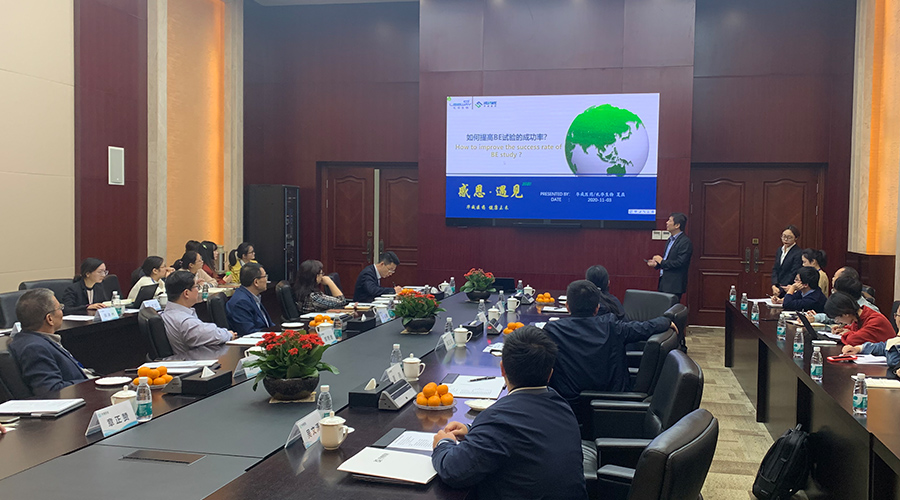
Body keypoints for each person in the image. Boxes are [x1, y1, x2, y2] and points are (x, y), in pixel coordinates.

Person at [431, 327, 588, 500]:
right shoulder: (561, 404)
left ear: (502, 369)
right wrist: (472, 429)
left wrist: (443, 444)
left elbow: (454, 471)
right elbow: (523, 431)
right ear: (550, 374)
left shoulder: (500, 419)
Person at [542, 280, 674, 402]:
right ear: (597, 308)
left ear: (567, 306)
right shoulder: (612, 326)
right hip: (612, 401)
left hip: (568, 404)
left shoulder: (552, 331)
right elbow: (644, 328)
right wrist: (665, 321)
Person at [9, 289, 89, 395]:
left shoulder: (31, 339)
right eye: (60, 308)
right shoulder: (34, 348)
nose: (62, 312)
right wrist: (91, 383)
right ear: (49, 319)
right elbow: (51, 390)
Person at [160, 271, 236, 354]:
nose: (198, 290)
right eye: (197, 286)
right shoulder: (185, 322)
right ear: (186, 293)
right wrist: (229, 334)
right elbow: (213, 334)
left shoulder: (166, 313)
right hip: (192, 359)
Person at [646, 212, 693, 300]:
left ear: (677, 225)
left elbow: (680, 263)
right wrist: (657, 264)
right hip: (664, 282)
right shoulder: (670, 240)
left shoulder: (685, 242)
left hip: (674, 285)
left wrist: (661, 261)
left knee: (670, 308)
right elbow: (668, 260)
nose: (667, 222)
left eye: (670, 221)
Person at [842, 309, 900, 376]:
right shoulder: (895, 342)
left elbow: (893, 360)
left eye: (897, 315)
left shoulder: (875, 318)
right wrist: (858, 349)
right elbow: (881, 347)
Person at [825, 291, 895, 346]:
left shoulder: (875, 320)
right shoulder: (859, 317)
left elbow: (852, 340)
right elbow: (857, 331)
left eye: (836, 319)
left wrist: (846, 334)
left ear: (845, 314)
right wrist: (842, 330)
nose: (837, 322)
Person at [808, 273, 879, 325]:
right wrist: (815, 318)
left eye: (835, 292)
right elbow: (835, 316)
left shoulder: (870, 311)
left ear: (844, 296)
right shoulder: (846, 307)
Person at [226, 263, 275, 336]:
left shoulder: (252, 296)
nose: (266, 280)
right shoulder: (241, 302)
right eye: (265, 276)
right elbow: (249, 333)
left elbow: (268, 324)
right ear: (256, 282)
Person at [771, 225, 803, 296]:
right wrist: (774, 285)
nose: (785, 239)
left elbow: (794, 272)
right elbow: (775, 268)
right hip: (777, 287)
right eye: (784, 236)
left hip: (788, 287)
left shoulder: (798, 252)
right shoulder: (779, 250)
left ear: (796, 238)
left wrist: (781, 288)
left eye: (789, 237)